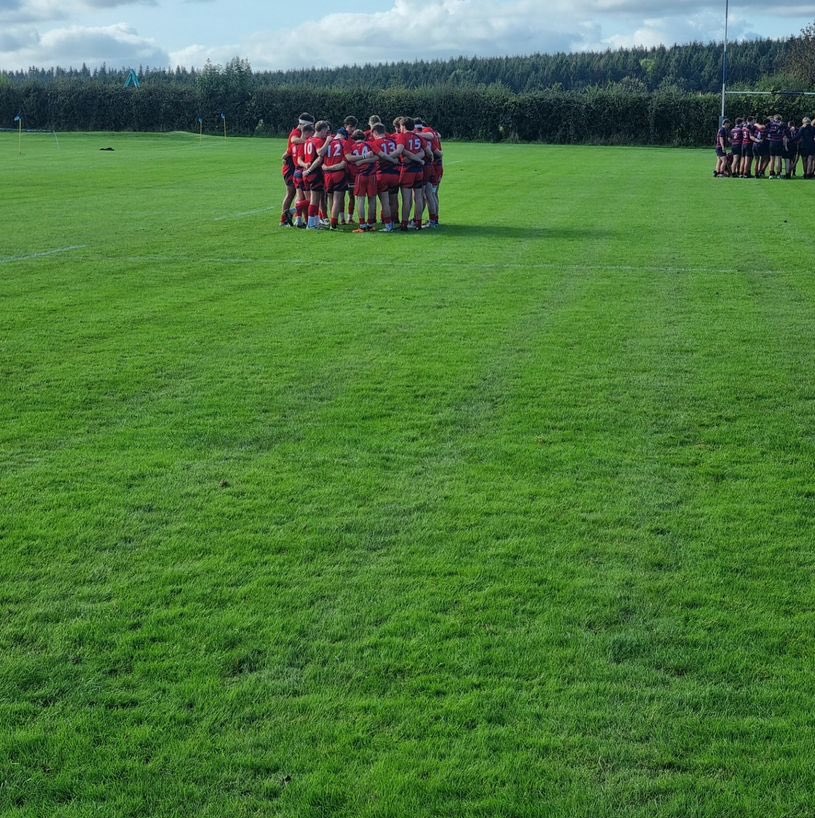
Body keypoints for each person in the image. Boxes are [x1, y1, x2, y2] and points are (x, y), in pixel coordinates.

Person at [280, 113, 313, 226]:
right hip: (291, 169)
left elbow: (286, 153)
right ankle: (284, 219)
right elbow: (294, 140)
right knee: (291, 194)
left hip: (295, 169)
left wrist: (284, 157)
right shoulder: (296, 133)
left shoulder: (300, 134)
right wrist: (310, 142)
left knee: (299, 195)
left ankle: (299, 220)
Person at [301, 120, 330, 229]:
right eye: (325, 131)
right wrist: (327, 142)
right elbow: (320, 154)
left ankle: (316, 222)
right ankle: (311, 224)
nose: (326, 133)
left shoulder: (308, 140)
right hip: (314, 173)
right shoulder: (318, 140)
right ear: (322, 130)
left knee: (314, 200)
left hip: (308, 173)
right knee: (314, 200)